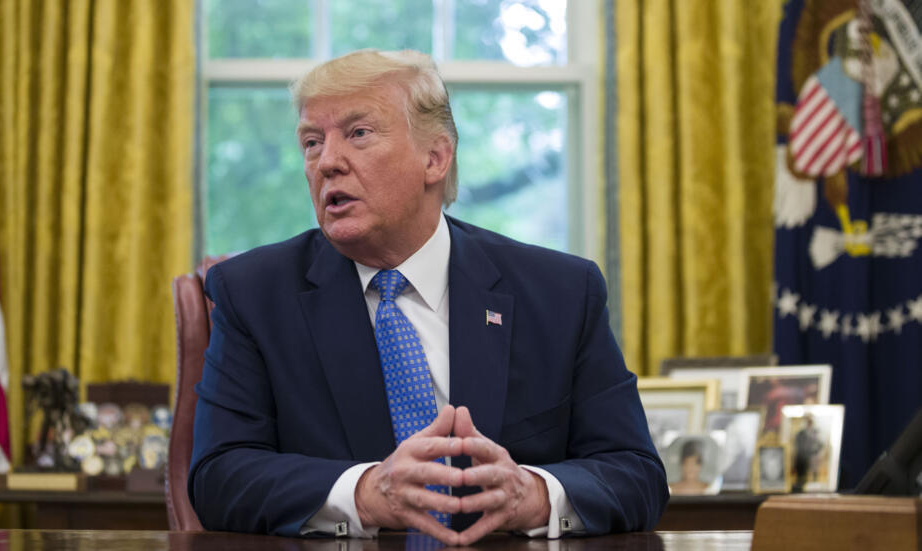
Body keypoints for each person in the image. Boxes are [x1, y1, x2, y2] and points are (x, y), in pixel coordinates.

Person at [188, 49, 668, 546]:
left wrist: (535, 495)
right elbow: (219, 477)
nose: (327, 162)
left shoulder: (561, 293)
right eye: (312, 142)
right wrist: (367, 493)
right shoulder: (254, 294)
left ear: (435, 158)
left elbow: (636, 475)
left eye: (358, 133)